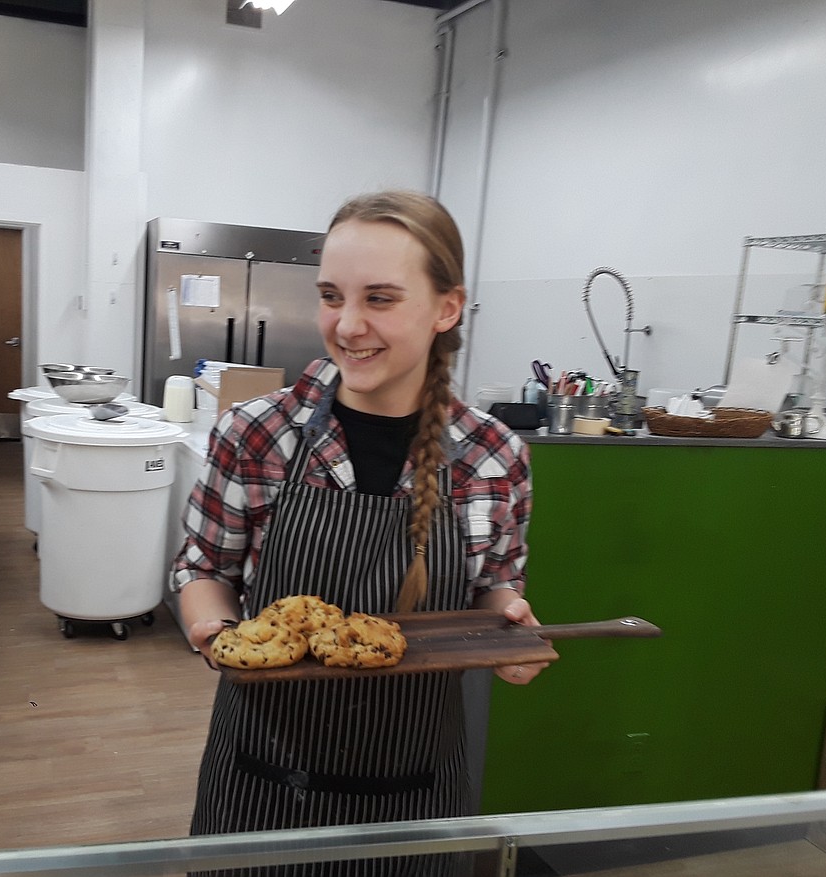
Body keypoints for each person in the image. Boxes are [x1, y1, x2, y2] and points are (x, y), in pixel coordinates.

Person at [172, 190, 546, 876]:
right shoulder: (257, 434)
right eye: (330, 295)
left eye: (379, 298)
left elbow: (497, 586)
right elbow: (202, 568)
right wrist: (217, 637)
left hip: (415, 798)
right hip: (261, 787)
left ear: (447, 308)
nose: (347, 325)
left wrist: (509, 627)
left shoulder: (494, 455)